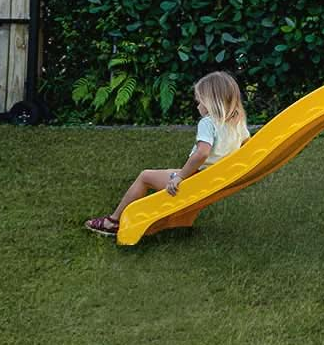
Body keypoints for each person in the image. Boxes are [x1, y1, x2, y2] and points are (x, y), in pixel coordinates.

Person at [84, 71, 251, 236]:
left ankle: (113, 222)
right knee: (166, 173)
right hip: (213, 179)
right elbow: (246, 145)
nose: (197, 105)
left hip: (195, 179)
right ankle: (173, 222)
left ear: (210, 102)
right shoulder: (237, 123)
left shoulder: (208, 123)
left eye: (199, 101)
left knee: (145, 177)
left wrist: (180, 177)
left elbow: (202, 154)